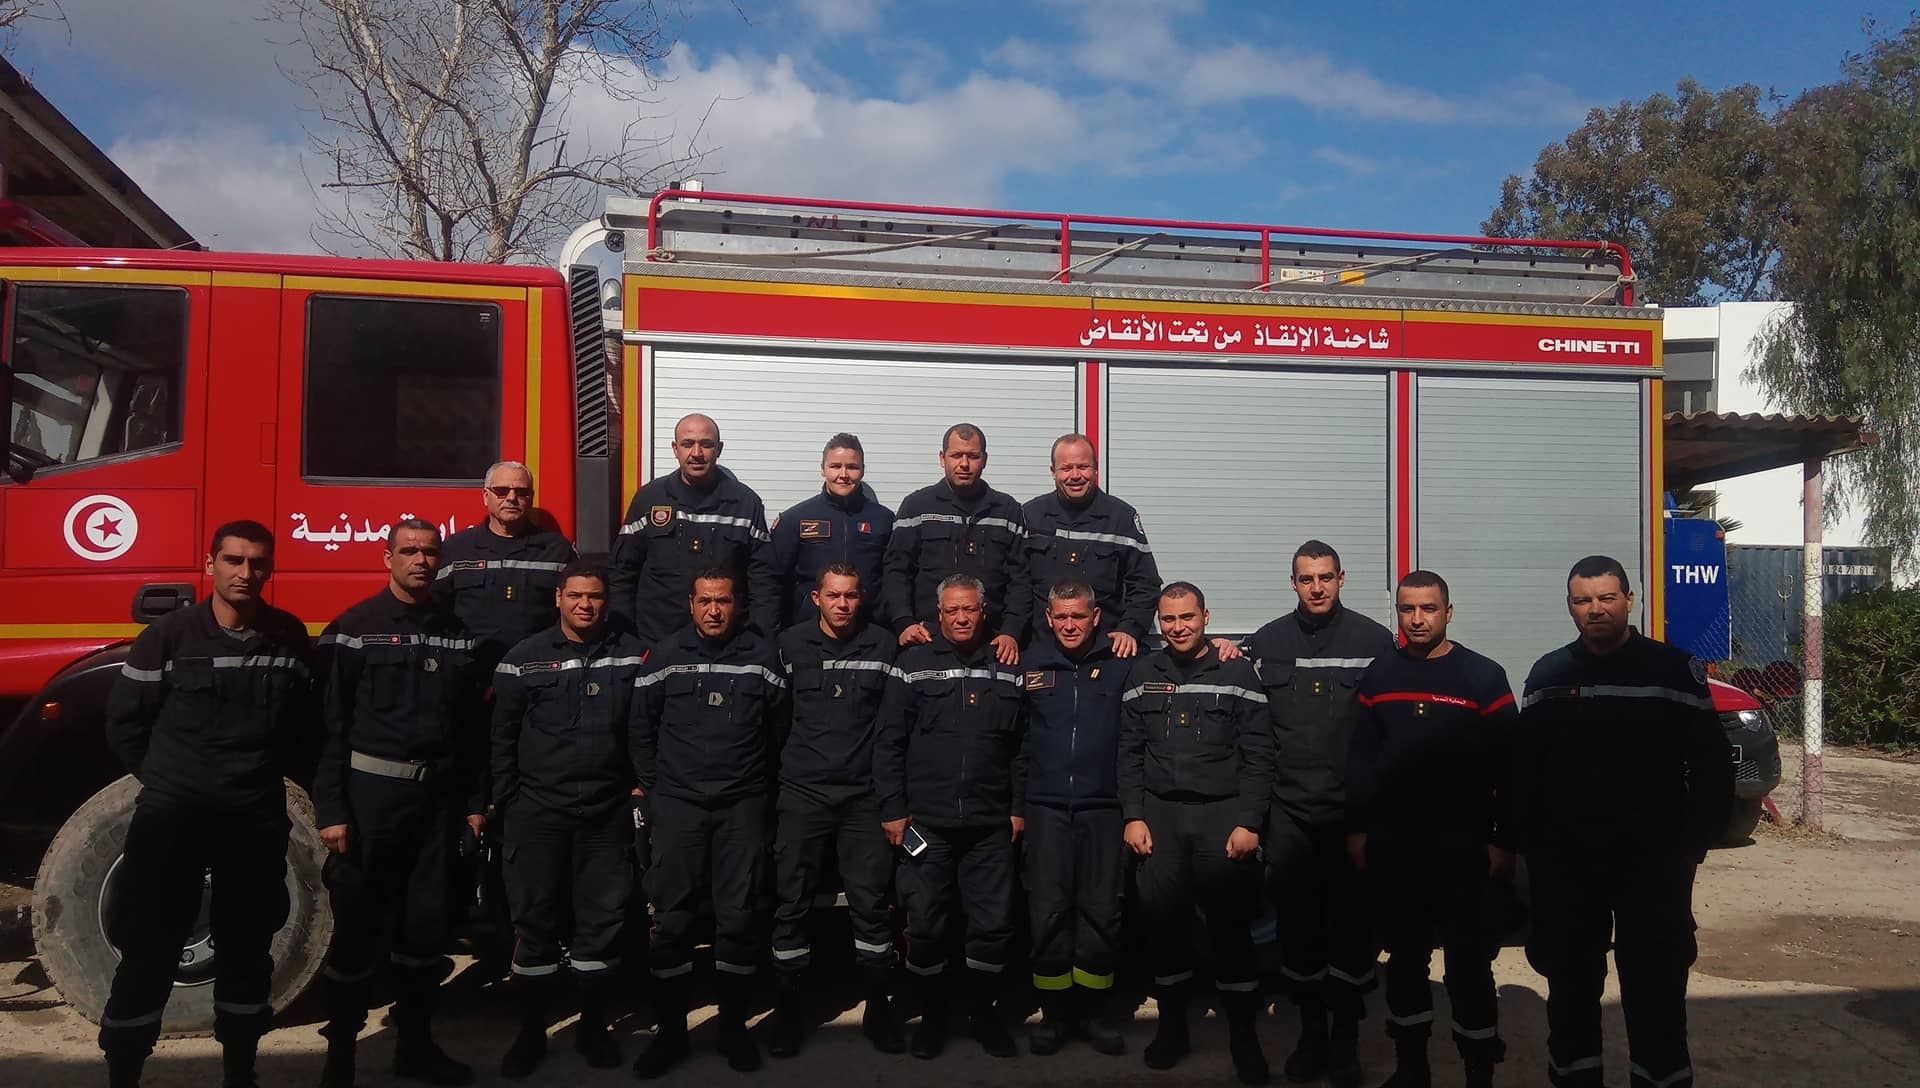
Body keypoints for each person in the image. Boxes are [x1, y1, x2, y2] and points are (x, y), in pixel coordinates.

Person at [98, 520, 315, 1088]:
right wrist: (173, 782)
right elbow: (125, 726)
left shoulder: (289, 638)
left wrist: (256, 780)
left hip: (254, 822)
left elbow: (302, 728)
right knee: (150, 948)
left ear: (270, 570)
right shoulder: (167, 638)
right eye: (234, 561)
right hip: (175, 823)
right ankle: (124, 1073)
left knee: (247, 954)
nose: (246, 573)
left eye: (258, 563)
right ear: (210, 564)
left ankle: (240, 1075)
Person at [1517, 556, 1734, 1088]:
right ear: (1570, 606)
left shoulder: (1672, 669)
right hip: (1569, 866)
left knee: (1655, 989)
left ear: (1630, 600)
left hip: (1652, 865)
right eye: (1583, 600)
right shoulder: (1549, 674)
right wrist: (1527, 846)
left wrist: (1692, 847)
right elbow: (1524, 769)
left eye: (1607, 598)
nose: (1595, 610)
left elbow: (1712, 765)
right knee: (1569, 988)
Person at [314, 520, 488, 1088]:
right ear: (386, 558)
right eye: (409, 551)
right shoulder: (354, 630)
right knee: (357, 933)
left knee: (425, 932)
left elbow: (468, 728)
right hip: (371, 802)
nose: (420, 560)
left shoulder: (457, 633)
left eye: (429, 552)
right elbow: (331, 727)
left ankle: (415, 1048)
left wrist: (473, 801)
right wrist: (333, 808)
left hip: (436, 805)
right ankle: (339, 1058)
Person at [1346, 571, 1517, 1088]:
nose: (1417, 620)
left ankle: (1478, 1068)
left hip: (1463, 847)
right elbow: (1361, 759)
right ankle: (1411, 1067)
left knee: (1468, 966)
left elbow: (1511, 766)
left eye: (1428, 609)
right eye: (1407, 609)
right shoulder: (1379, 676)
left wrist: (1503, 838)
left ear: (1449, 612)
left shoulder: (1482, 676)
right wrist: (1358, 830)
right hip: (1397, 846)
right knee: (1405, 960)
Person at [1244, 539, 1396, 1086]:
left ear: (1341, 578)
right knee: (1299, 936)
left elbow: (1387, 732)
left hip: (1351, 818)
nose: (1316, 587)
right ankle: (1311, 1036)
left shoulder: (1374, 641)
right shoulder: (1266, 642)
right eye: (1306, 578)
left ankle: (1346, 1043)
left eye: (1325, 577)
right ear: (1293, 582)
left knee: (1352, 936)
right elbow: (1245, 716)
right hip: (1289, 817)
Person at [489, 560, 647, 1077]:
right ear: (558, 597)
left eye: (596, 596)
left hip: (605, 816)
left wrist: (638, 788)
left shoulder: (632, 654)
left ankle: (592, 1028)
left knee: (601, 927)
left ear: (608, 600)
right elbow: (502, 739)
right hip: (538, 815)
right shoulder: (523, 660)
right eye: (576, 595)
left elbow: (645, 729)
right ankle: (530, 1033)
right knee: (534, 926)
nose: (586, 605)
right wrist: (509, 801)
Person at [630, 568, 789, 1078]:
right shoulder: (665, 655)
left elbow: (779, 726)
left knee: (738, 919)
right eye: (705, 601)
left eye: (723, 601)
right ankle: (672, 1034)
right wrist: (659, 789)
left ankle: (733, 1030)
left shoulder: (762, 655)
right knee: (671, 920)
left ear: (737, 604)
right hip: (678, 807)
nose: (714, 610)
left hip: (741, 807)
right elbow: (641, 728)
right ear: (690, 603)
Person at [1121, 582, 1275, 1085]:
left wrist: (1250, 821)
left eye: (1187, 617)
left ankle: (1243, 1039)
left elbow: (1259, 754)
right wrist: (1133, 815)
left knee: (1230, 933)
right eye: (1168, 620)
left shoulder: (1235, 671)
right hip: (1160, 820)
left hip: (1221, 819)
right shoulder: (1143, 671)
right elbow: (1128, 751)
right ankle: (1172, 1032)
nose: (1178, 627)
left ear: (1206, 617)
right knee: (1164, 931)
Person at [874, 573, 1028, 1060]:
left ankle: (985, 1016)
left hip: (988, 825)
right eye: (952, 610)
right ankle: (934, 1019)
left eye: (971, 609)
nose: (962, 618)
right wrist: (894, 810)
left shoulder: (1007, 667)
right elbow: (889, 742)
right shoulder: (912, 665)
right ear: (938, 615)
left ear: (985, 613)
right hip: (927, 825)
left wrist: (1018, 808)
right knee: (927, 926)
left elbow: (1021, 749)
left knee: (992, 925)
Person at [765, 563, 904, 1057]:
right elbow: (774, 721)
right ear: (815, 598)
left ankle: (878, 1008)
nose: (842, 604)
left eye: (850, 596)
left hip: (863, 799)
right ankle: (788, 1010)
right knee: (791, 902)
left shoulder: (884, 646)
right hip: (803, 793)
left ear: (860, 598)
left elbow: (891, 730)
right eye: (833, 596)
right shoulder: (788, 646)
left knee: (871, 906)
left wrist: (890, 801)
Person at [1019, 578, 1132, 1056]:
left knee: (1101, 912)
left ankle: (1093, 1013)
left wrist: (1225, 647)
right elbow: (1016, 743)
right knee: (1047, 912)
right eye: (1061, 617)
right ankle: (1055, 1016)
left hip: (1104, 810)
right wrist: (1016, 808)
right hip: (1044, 810)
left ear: (1095, 617)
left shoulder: (1123, 663)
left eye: (1078, 616)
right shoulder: (1030, 664)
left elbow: (1180, 657)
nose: (1070, 625)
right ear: (1049, 618)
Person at [610, 413, 777, 644]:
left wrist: (759, 638)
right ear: (675, 448)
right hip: (657, 640)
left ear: (719, 449)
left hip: (727, 643)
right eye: (688, 444)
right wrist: (624, 636)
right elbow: (623, 571)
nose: (696, 453)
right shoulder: (649, 499)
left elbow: (763, 579)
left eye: (706, 445)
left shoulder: (745, 503)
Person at [882, 422, 1029, 666]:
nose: (964, 464)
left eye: (972, 456)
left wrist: (1011, 631)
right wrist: (903, 622)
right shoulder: (916, 507)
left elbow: (1021, 578)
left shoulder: (1007, 510)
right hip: (927, 638)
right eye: (956, 455)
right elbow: (896, 571)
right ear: (942, 458)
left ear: (984, 459)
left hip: (992, 644)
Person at [1021, 434, 1160, 656]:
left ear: (1096, 469)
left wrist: (1130, 630)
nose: (1075, 475)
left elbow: (1145, 585)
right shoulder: (1030, 516)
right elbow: (1016, 584)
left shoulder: (1121, 518)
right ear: (1053, 472)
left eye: (1083, 467)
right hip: (1041, 650)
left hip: (1104, 653)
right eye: (1066, 468)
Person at [435, 460, 578, 670]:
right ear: (486, 496)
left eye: (522, 492)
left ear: (531, 498)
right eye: (501, 491)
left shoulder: (557, 550)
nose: (512, 498)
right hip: (470, 672)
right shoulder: (457, 549)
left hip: (537, 671)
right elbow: (435, 610)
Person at [770, 433, 895, 629]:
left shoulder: (884, 520)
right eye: (835, 466)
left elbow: (894, 577)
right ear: (823, 469)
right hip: (808, 630)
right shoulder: (795, 519)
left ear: (862, 470)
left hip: (870, 629)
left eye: (852, 467)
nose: (843, 474)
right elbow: (774, 582)